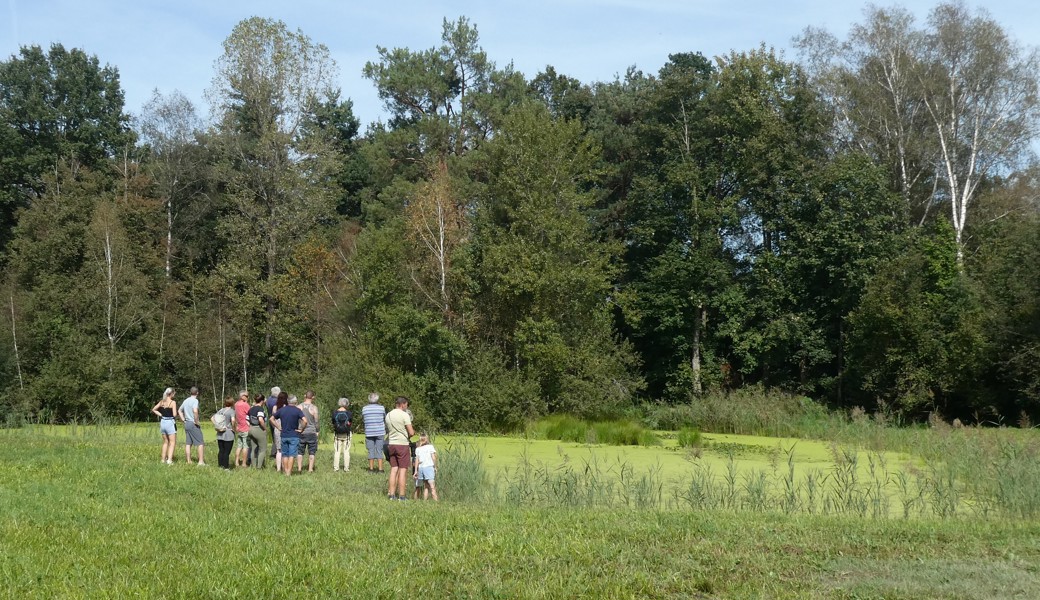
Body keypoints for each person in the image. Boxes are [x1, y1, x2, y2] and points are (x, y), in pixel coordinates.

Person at [384, 396, 415, 501]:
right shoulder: (404, 415)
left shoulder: (388, 415)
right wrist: (410, 435)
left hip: (391, 444)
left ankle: (391, 495)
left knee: (393, 469)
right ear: (403, 404)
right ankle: (402, 496)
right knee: (403, 470)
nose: (406, 407)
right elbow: (411, 432)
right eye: (406, 405)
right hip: (402, 445)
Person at [273, 395, 307, 477]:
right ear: (295, 402)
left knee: (285, 454)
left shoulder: (282, 410)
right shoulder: (297, 410)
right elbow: (305, 421)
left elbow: (271, 418)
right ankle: (289, 472)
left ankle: (285, 471)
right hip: (294, 435)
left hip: (284, 435)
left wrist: (278, 427)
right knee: (292, 455)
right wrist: (301, 429)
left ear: (288, 401)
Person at [179, 386, 206, 466]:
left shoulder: (186, 400)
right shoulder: (195, 401)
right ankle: (201, 462)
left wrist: (183, 419)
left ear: (190, 392)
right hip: (193, 423)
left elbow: (179, 410)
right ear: (197, 393)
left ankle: (188, 461)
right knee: (200, 442)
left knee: (188, 443)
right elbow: (195, 411)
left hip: (187, 423)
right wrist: (196, 421)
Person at [151, 387, 177, 465]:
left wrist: (161, 414)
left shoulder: (162, 401)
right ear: (171, 394)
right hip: (170, 422)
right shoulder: (173, 402)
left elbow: (154, 409)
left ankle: (163, 459)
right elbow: (175, 414)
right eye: (174, 393)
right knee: (172, 442)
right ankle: (169, 460)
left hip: (163, 422)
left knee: (165, 442)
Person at [362, 392, 387, 473]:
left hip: (369, 431)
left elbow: (363, 419)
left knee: (370, 450)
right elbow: (385, 418)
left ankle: (371, 468)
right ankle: (380, 469)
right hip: (380, 431)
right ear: (377, 399)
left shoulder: (364, 408)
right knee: (379, 450)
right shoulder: (381, 408)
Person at [297, 390, 320, 473]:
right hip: (311, 431)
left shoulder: (299, 407)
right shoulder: (314, 408)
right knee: (312, 452)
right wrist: (317, 431)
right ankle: (310, 469)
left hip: (301, 431)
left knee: (300, 451)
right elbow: (316, 421)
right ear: (313, 397)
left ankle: (299, 468)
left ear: (304, 396)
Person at [414, 433, 439, 501]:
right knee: (432, 486)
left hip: (421, 468)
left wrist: (416, 471)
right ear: (427, 439)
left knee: (426, 486)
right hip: (429, 467)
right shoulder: (430, 447)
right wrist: (435, 466)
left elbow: (417, 460)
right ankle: (436, 502)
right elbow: (433, 458)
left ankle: (424, 501)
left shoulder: (418, 449)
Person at [331, 397, 353, 472]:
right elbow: (350, 423)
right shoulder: (349, 413)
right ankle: (346, 468)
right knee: (346, 451)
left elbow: (333, 422)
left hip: (337, 434)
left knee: (337, 451)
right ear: (347, 404)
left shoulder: (334, 413)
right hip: (347, 434)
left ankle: (336, 468)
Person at [214, 398, 236, 470]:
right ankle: (226, 467)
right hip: (228, 433)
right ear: (232, 403)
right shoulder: (232, 411)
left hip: (220, 433)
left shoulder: (221, 410)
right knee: (227, 451)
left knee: (221, 450)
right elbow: (233, 420)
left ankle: (220, 466)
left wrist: (217, 425)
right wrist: (233, 428)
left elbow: (212, 418)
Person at [247, 393, 267, 469]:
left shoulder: (251, 409)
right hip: (258, 429)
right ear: (262, 400)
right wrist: (265, 428)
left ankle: (253, 465)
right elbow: (260, 419)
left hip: (251, 429)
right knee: (263, 449)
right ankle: (259, 467)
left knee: (253, 448)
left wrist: (250, 426)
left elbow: (247, 420)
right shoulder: (260, 409)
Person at [233, 390, 251, 468]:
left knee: (239, 446)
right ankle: (244, 463)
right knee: (245, 446)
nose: (247, 397)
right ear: (242, 396)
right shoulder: (245, 405)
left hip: (239, 427)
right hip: (246, 427)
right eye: (246, 396)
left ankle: (236, 462)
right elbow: (250, 413)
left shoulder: (236, 404)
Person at [271, 391, 288, 472]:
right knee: (285, 449)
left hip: (277, 429)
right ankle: (284, 467)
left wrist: (276, 426)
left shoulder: (275, 407)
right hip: (285, 428)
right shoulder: (286, 407)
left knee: (278, 450)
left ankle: (278, 468)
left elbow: (272, 419)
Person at [266, 386, 281, 459]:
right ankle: (275, 452)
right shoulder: (278, 401)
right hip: (276, 420)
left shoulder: (268, 400)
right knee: (277, 436)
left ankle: (274, 452)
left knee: (274, 435)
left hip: (270, 418)